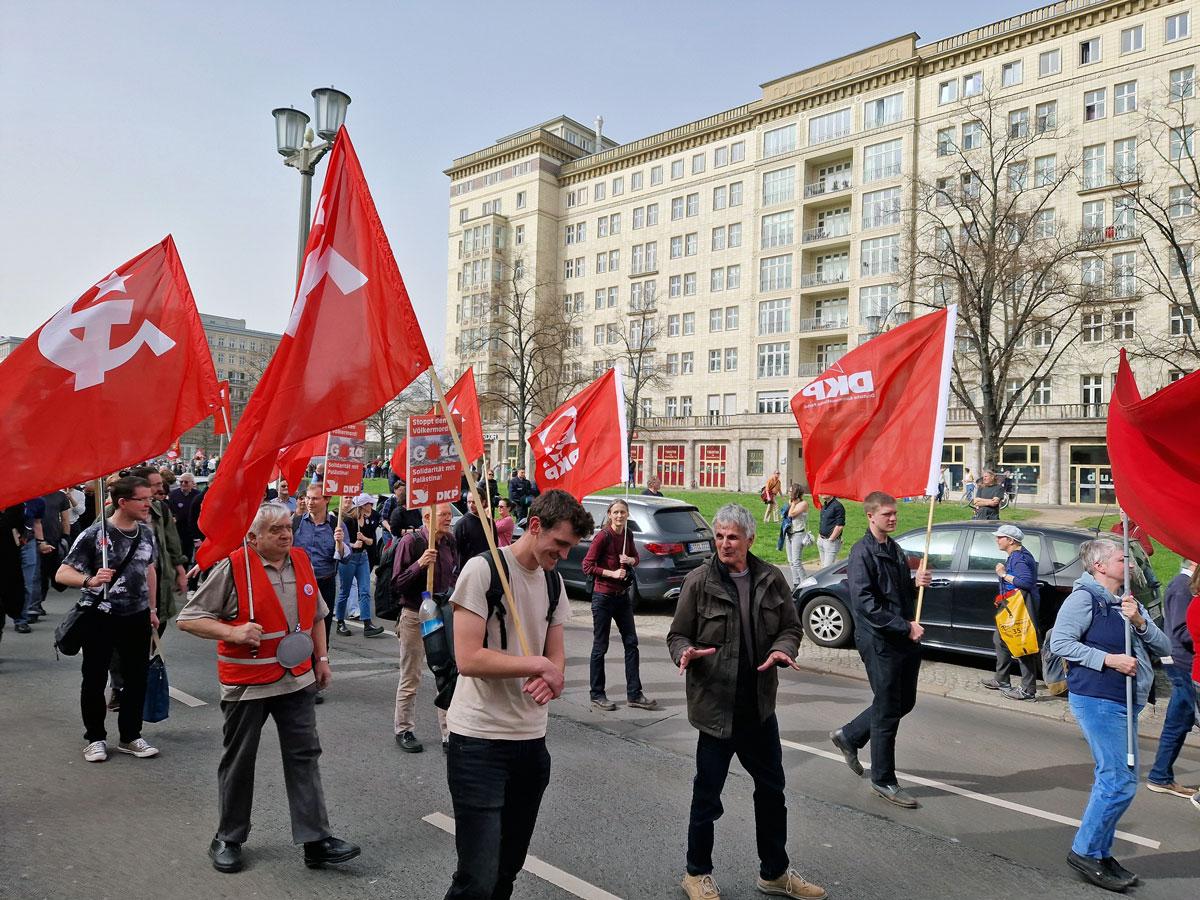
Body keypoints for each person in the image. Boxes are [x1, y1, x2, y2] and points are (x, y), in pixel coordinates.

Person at [176, 502, 361, 874]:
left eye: (287, 527)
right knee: (239, 761)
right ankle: (228, 837)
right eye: (275, 529)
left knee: (304, 757)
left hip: (297, 681)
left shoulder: (301, 562)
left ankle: (316, 840)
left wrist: (322, 661)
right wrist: (232, 631)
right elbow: (189, 618)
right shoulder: (234, 567)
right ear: (253, 537)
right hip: (248, 684)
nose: (284, 534)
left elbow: (318, 617)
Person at [668, 503, 824, 900]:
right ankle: (696, 873)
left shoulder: (771, 579)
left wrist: (783, 649)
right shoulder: (699, 582)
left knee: (772, 793)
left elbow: (791, 626)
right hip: (715, 710)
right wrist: (684, 652)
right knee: (707, 797)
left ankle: (774, 872)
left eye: (732, 537)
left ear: (750, 539)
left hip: (758, 709)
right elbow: (677, 635)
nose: (724, 543)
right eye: (719, 536)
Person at [441, 490, 589, 900]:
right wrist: (536, 666)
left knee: (507, 871)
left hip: (530, 744)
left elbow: (555, 656)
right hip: (479, 743)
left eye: (570, 548)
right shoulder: (483, 570)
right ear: (535, 526)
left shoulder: (554, 582)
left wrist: (552, 676)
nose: (562, 555)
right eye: (559, 545)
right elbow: (468, 657)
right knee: (477, 876)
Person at [1048, 538, 1170, 892]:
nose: (1130, 565)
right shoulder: (1083, 599)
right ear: (1100, 566)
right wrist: (1110, 659)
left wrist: (1140, 623)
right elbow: (1060, 643)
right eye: (1122, 559)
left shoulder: (1127, 603)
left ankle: (1099, 850)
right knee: (1119, 780)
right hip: (1097, 698)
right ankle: (1085, 851)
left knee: (1119, 779)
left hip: (1126, 699)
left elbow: (1163, 646)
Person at [830, 491, 932, 809]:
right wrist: (905, 626)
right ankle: (883, 780)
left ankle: (850, 735)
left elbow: (896, 590)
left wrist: (917, 581)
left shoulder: (895, 549)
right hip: (879, 641)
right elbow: (866, 605)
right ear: (870, 516)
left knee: (904, 702)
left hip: (903, 639)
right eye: (886, 514)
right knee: (887, 709)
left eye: (894, 513)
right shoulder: (862, 553)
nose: (893, 518)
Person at [55, 475, 160, 763]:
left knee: (136, 680)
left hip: (136, 616)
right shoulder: (94, 534)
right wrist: (89, 580)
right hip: (100, 615)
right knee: (95, 678)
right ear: (123, 502)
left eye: (150, 498)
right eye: (143, 499)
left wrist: (152, 609)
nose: (148, 504)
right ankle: (95, 738)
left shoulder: (147, 533)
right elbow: (62, 573)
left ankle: (130, 736)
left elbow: (149, 570)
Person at [391, 504, 457, 753]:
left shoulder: (449, 541)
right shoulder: (411, 542)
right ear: (427, 517)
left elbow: (453, 572)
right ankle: (404, 728)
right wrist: (420, 564)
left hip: (439, 614)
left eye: (450, 514)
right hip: (413, 614)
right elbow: (398, 583)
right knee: (411, 675)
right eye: (444, 515)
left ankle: (449, 733)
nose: (449, 518)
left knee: (446, 674)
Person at [581, 499, 657, 712]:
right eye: (615, 512)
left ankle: (634, 694)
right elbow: (587, 565)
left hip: (622, 597)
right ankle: (597, 694)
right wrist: (611, 573)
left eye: (622, 512)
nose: (619, 516)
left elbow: (636, 558)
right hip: (603, 597)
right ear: (609, 514)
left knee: (631, 643)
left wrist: (630, 560)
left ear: (627, 514)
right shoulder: (603, 536)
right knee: (600, 646)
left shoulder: (628, 535)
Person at [1145, 559, 1197, 800]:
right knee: (1183, 721)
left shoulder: (1185, 585)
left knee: (1179, 722)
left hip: (1183, 664)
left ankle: (1160, 775)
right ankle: (1160, 775)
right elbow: (1180, 631)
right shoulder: (1182, 587)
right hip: (1183, 665)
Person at [980, 524, 1040, 701]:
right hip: (1013, 603)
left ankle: (1028, 690)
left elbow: (1026, 582)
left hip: (1021, 606)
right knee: (1000, 639)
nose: (996, 540)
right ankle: (1002, 679)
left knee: (1021, 643)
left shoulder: (1018, 557)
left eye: (1000, 537)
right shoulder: (1017, 555)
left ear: (1011, 541)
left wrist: (1003, 574)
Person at [292, 484, 349, 652]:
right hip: (299, 583)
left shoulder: (336, 525)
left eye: (315, 498)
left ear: (327, 500)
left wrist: (339, 543)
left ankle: (321, 659)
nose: (309, 502)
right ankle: (300, 661)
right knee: (299, 625)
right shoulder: (295, 522)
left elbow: (345, 557)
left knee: (323, 626)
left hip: (325, 583)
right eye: (308, 498)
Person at [334, 494, 384, 638]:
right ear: (362, 506)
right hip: (349, 558)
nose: (372, 507)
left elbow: (371, 542)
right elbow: (340, 542)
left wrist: (364, 538)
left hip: (363, 557)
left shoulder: (367, 520)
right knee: (345, 591)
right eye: (369, 504)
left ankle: (367, 624)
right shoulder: (349, 521)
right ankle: (340, 622)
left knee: (365, 591)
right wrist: (353, 544)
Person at [453, 494, 494, 564]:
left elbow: (494, 545)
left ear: (483, 502)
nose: (471, 505)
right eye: (469, 502)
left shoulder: (489, 523)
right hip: (468, 568)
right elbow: (455, 552)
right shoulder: (461, 524)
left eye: (474, 502)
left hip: (487, 565)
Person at [783, 485, 809, 589]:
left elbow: (791, 514)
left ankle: (805, 584)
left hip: (798, 534)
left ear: (796, 492)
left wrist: (793, 504)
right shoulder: (792, 502)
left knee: (796, 561)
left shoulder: (803, 504)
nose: (789, 493)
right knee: (790, 561)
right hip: (789, 533)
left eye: (790, 491)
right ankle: (796, 584)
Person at [816, 495, 845, 568]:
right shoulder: (825, 505)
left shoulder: (838, 506)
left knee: (827, 569)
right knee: (823, 569)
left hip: (830, 542)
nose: (823, 493)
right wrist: (819, 536)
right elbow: (823, 522)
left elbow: (840, 525)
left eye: (825, 491)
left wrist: (831, 539)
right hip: (821, 540)